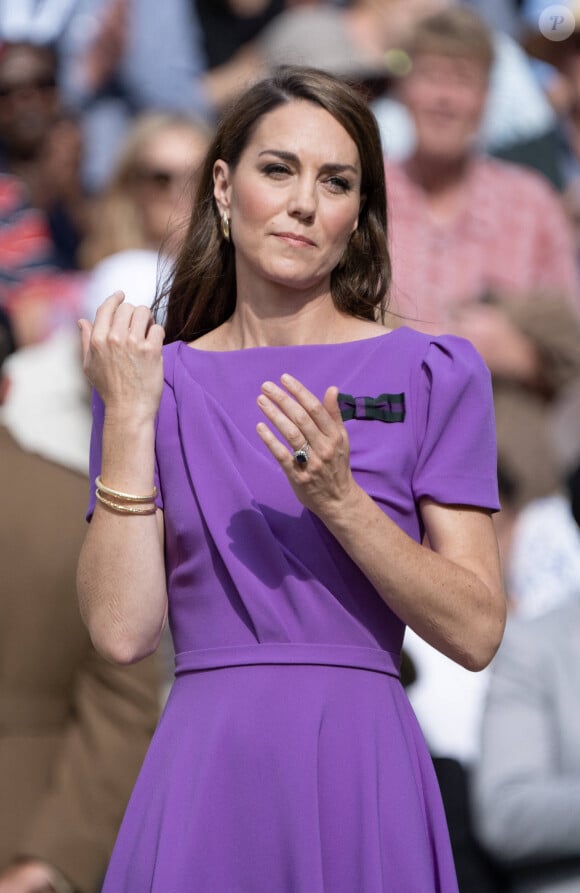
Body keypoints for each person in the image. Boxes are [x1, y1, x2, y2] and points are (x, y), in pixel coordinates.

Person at [77, 65, 506, 892]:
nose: (305, 202)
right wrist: (131, 419)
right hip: (208, 769)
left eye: (336, 181)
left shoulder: (431, 371)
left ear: (359, 215)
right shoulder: (147, 386)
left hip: (362, 764)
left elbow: (478, 629)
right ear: (224, 188)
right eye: (279, 169)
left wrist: (343, 504)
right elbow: (122, 632)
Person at [0, 320, 162, 892]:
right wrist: (53, 858)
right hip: (25, 831)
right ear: (7, 386)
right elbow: (126, 702)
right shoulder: (81, 510)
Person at [79, 112, 211, 320]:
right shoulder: (124, 275)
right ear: (132, 187)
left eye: (198, 176)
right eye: (161, 179)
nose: (181, 193)